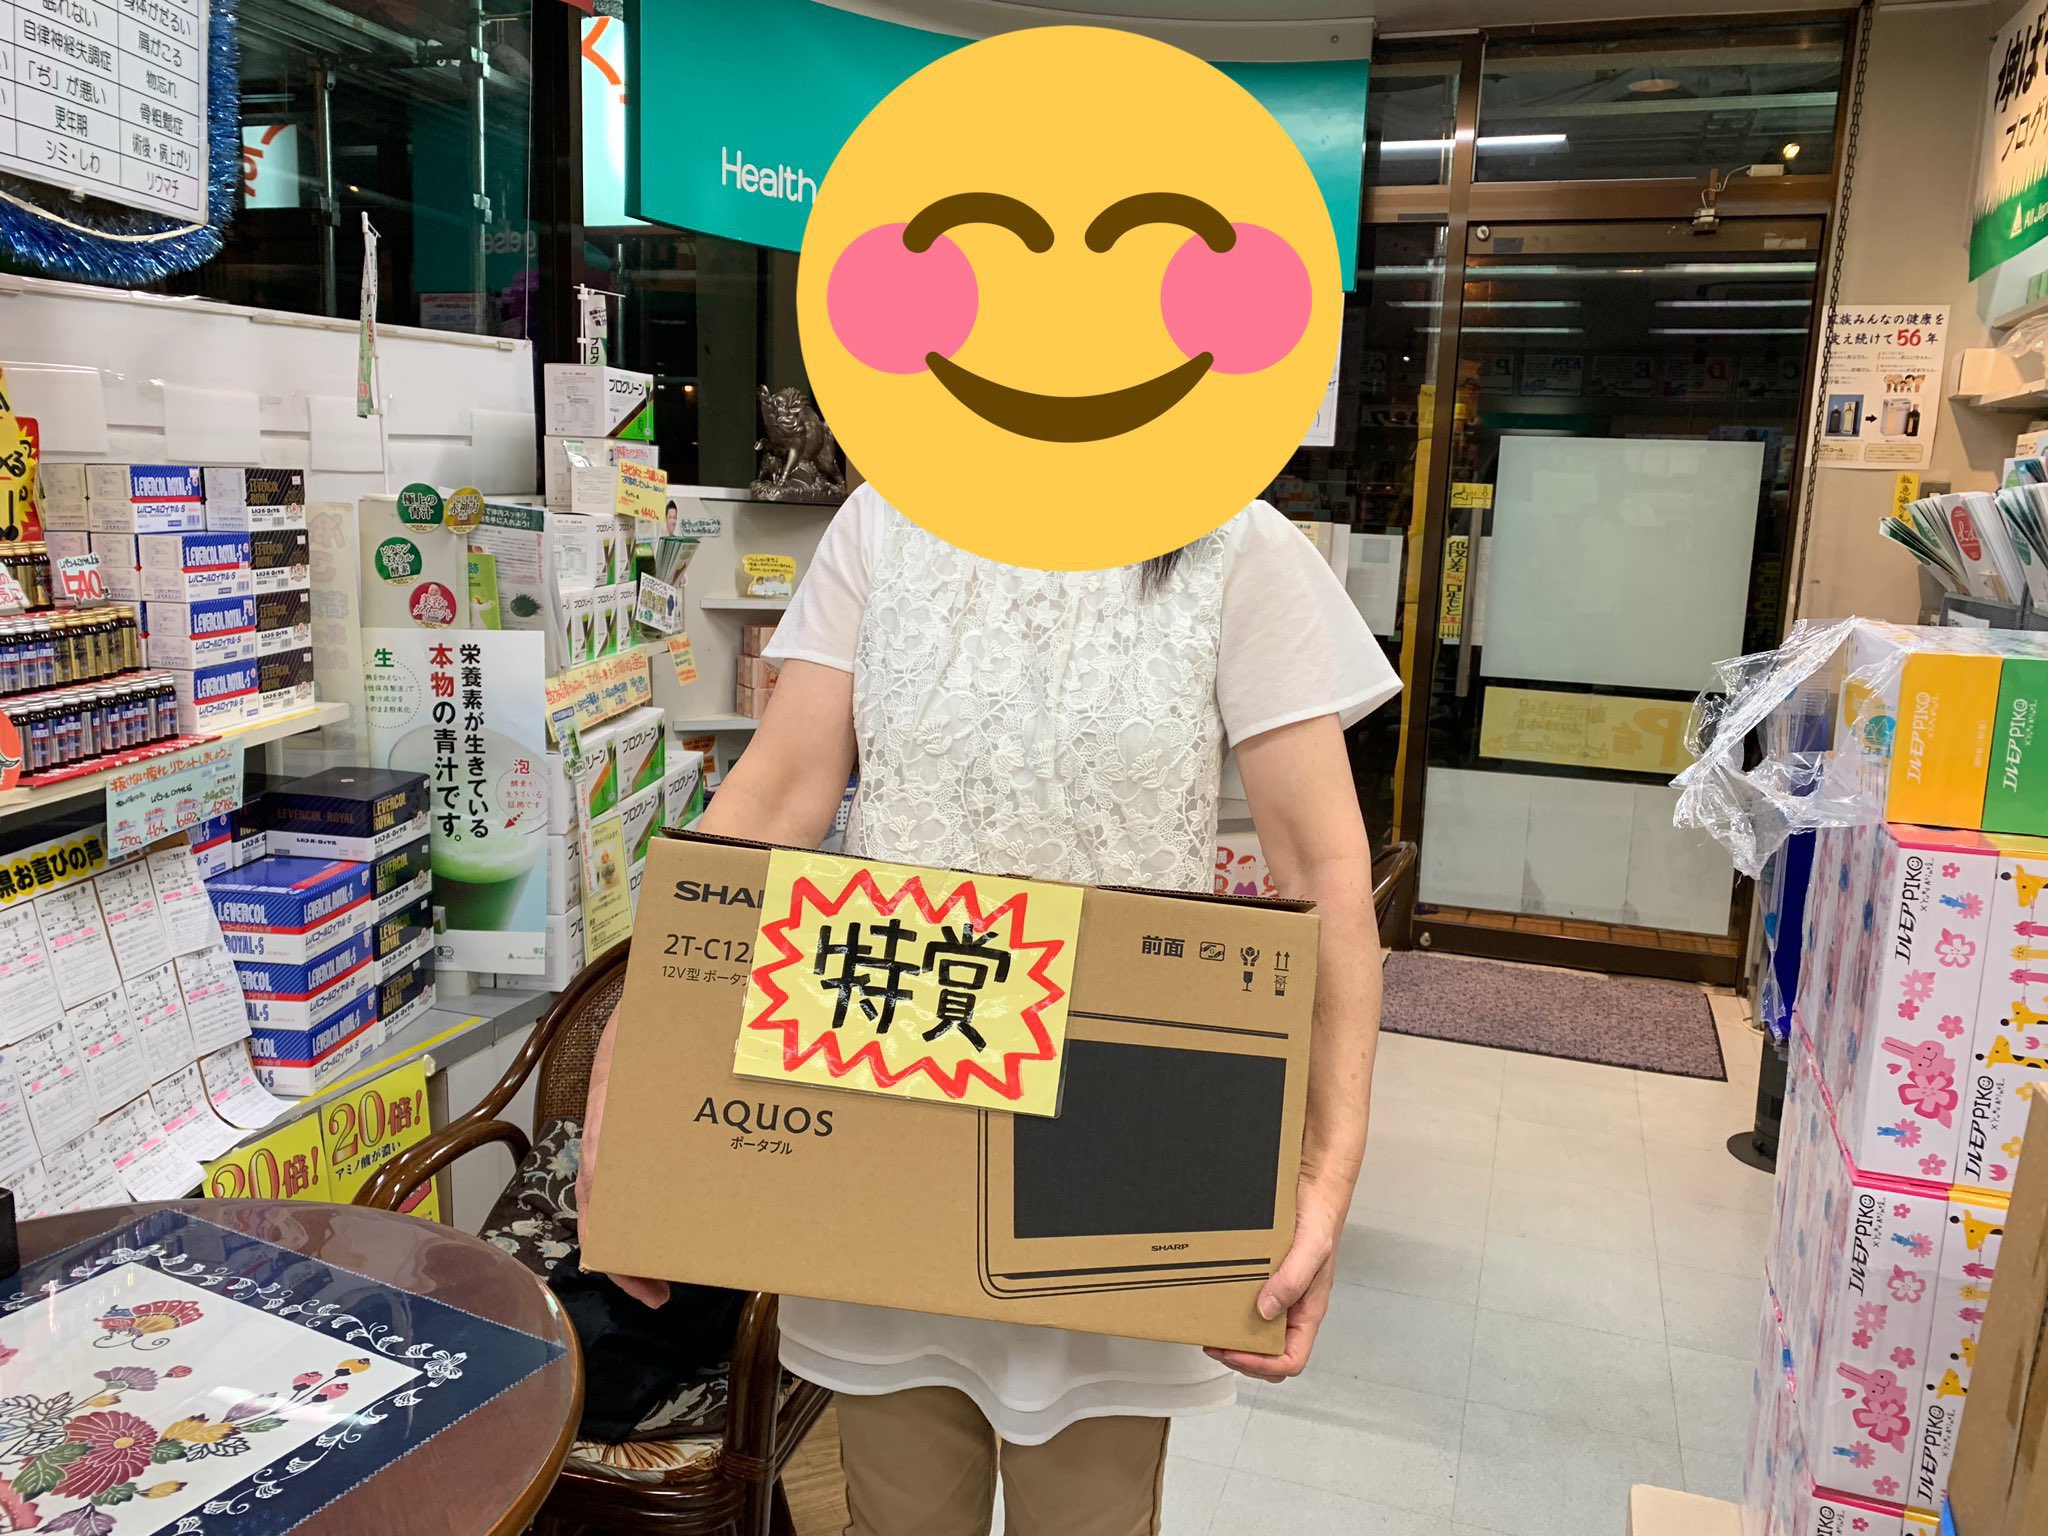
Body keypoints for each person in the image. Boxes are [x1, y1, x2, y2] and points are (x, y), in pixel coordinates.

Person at [579, 484, 1397, 1536]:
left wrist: (1326, 1172)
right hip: (886, 1100)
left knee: (1091, 1517)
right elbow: (774, 798)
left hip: (1114, 1135)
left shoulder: (1235, 542)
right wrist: (635, 1061)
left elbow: (1321, 870)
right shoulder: (883, 520)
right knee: (896, 1514)